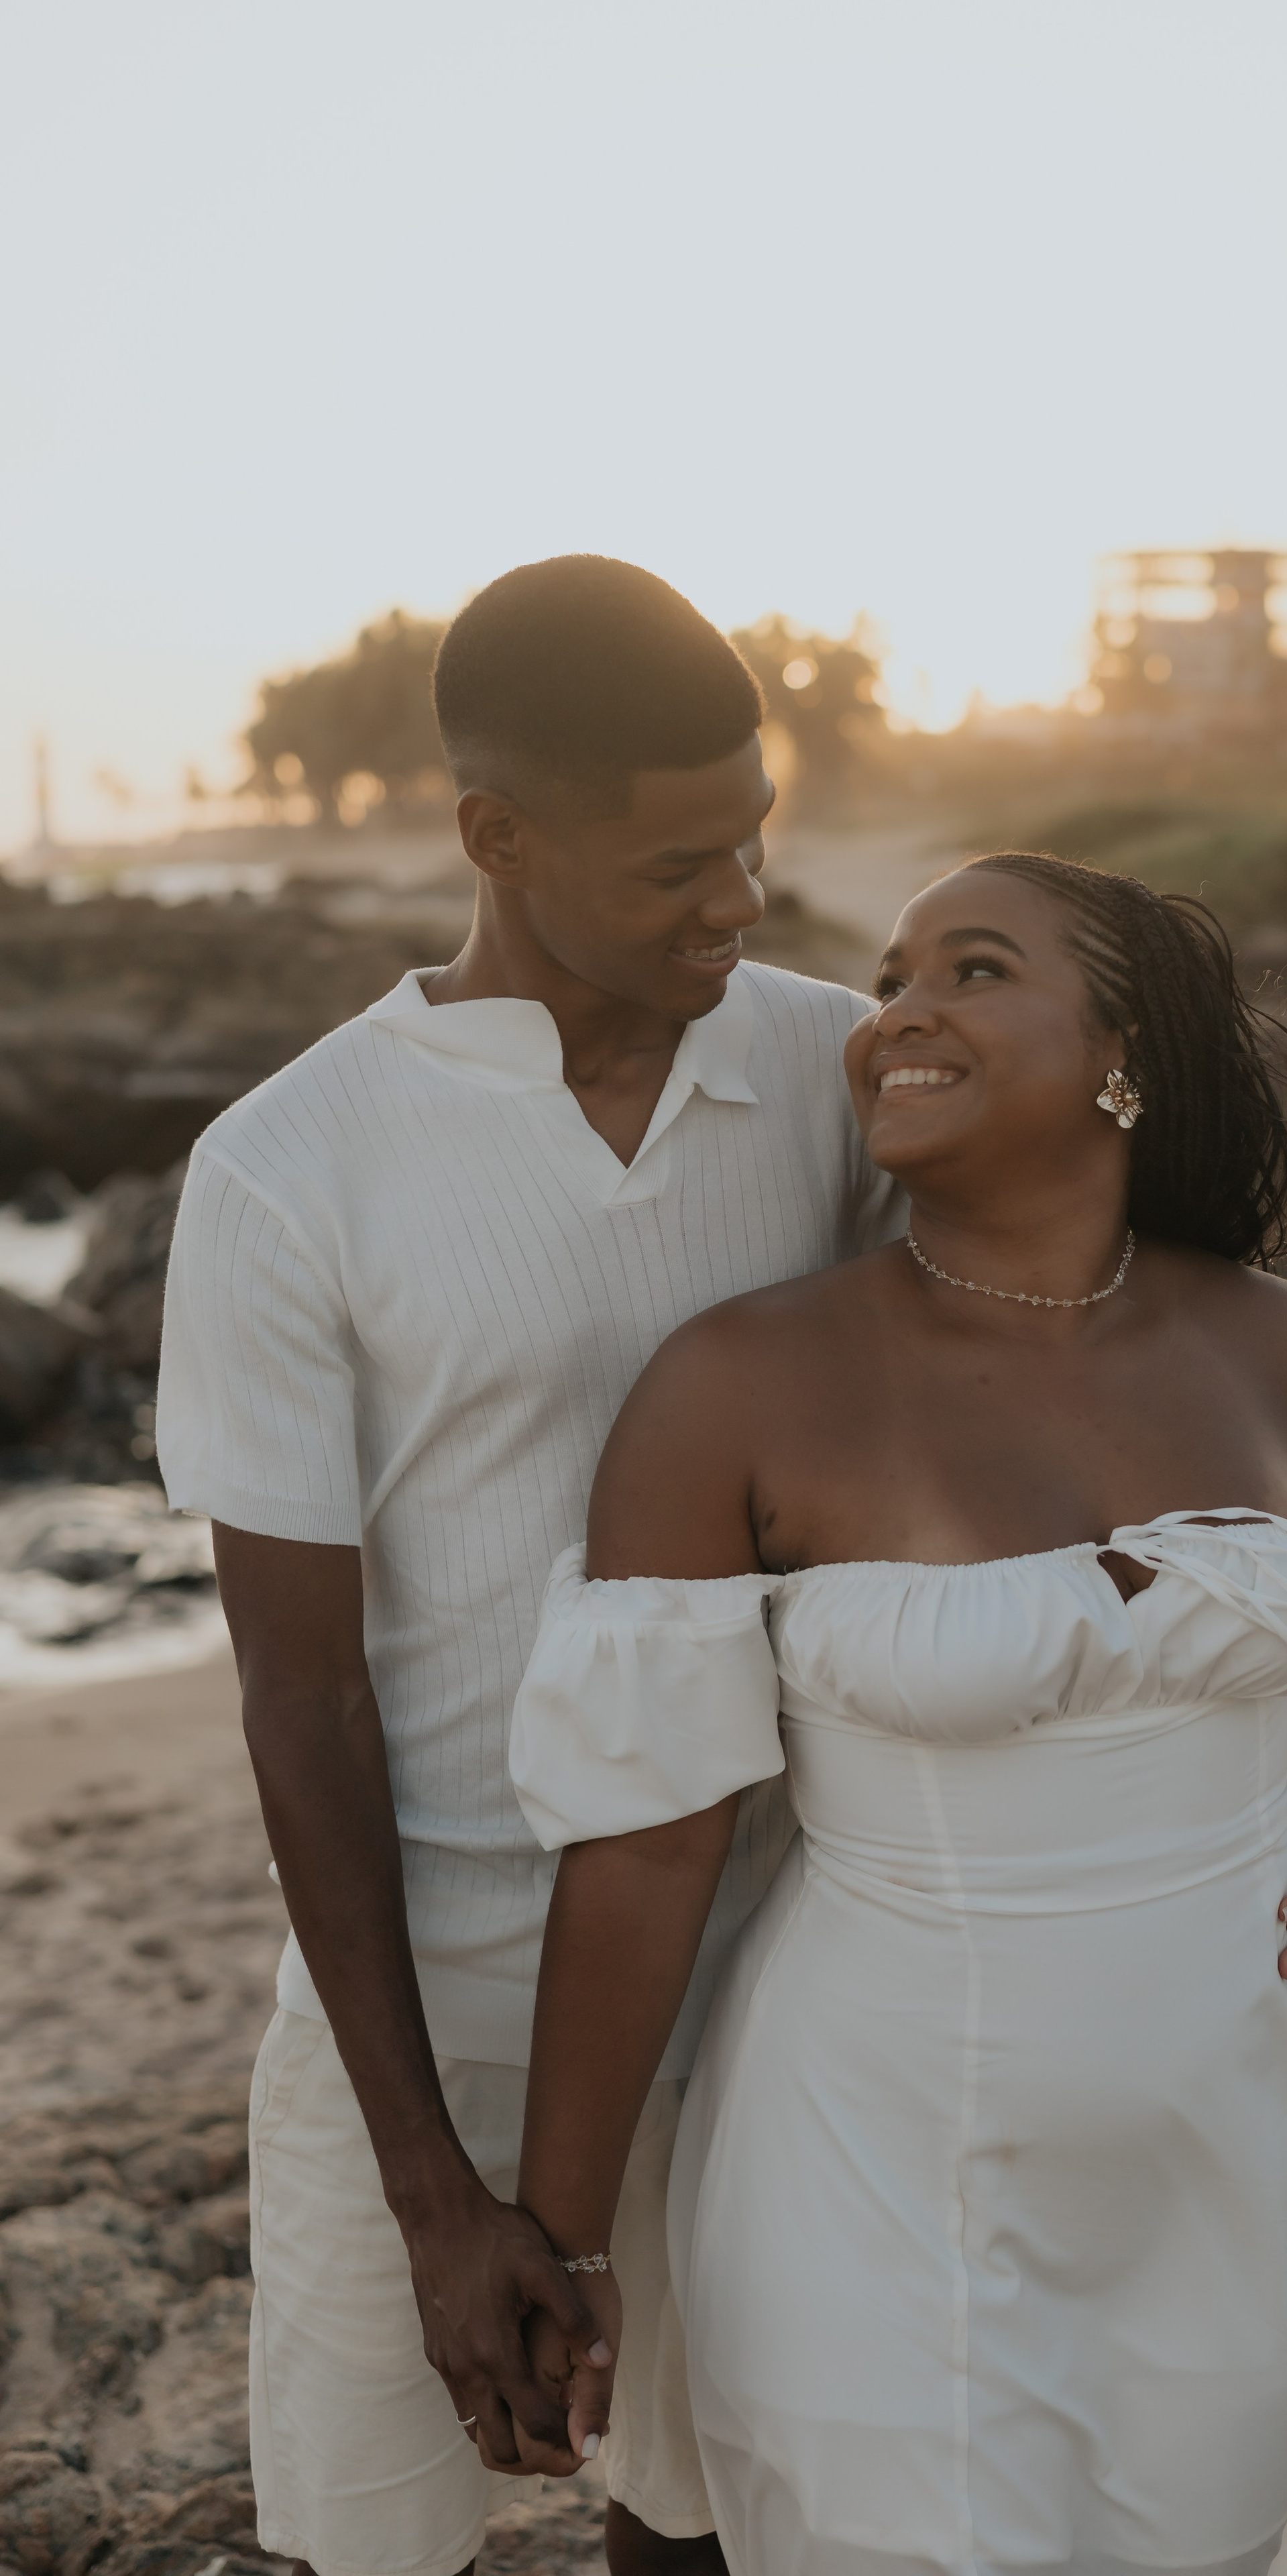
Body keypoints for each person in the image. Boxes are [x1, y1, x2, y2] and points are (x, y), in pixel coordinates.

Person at [506, 852, 1287, 2575]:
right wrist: (565, 2239)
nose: (897, 1012)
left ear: (1122, 1054)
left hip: (1237, 2134)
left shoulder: (1286, 1351)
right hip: (879, 2154)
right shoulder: (740, 1383)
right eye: (892, 976)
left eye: (973, 970)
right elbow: (645, 1853)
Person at [155, 556, 905, 2576]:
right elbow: (296, 1694)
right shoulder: (288, 1170)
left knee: (711, 2532)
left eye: (754, 840)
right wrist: (430, 2194)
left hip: (770, 1976)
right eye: (679, 865)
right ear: (495, 836)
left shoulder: (837, 1079)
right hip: (436, 1994)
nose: (740, 903)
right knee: (370, 2545)